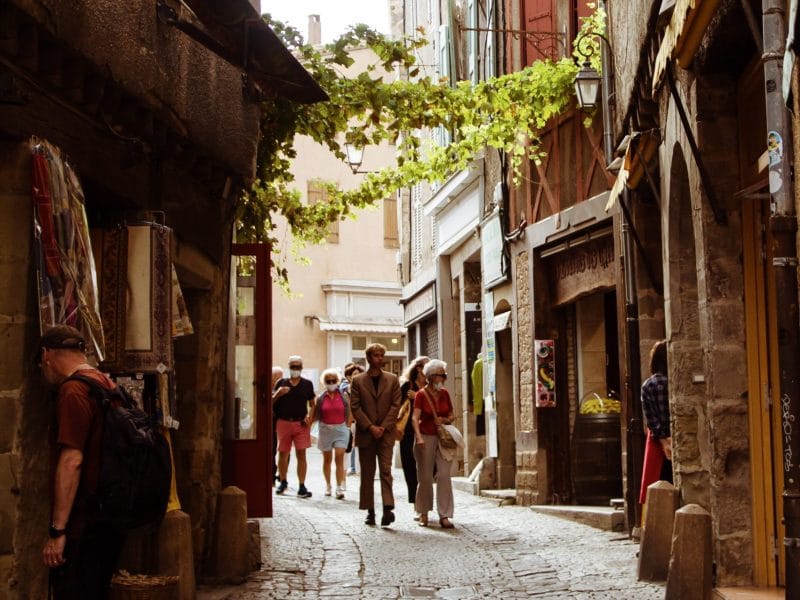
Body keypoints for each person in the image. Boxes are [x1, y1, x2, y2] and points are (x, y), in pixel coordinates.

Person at [36, 325, 125, 598]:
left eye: (41, 362)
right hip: (108, 515)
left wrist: (58, 530)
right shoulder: (107, 384)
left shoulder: (73, 391)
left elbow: (72, 460)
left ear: (47, 354)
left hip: (84, 522)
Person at [349, 343, 401, 527]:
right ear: (369, 358)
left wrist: (383, 426)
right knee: (368, 473)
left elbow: (396, 405)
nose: (379, 358)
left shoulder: (392, 379)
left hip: (386, 433)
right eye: (376, 355)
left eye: (381, 355)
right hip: (366, 433)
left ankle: (388, 508)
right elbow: (355, 406)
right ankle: (369, 510)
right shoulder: (358, 381)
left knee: (386, 471)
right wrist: (370, 426)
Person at [412, 359, 456, 529]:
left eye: (444, 376)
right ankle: (423, 512)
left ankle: (444, 514)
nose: (443, 379)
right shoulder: (421, 395)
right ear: (430, 377)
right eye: (441, 376)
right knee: (425, 476)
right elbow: (415, 418)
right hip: (426, 436)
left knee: (444, 474)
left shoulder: (445, 393)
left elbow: (452, 414)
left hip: (443, 437)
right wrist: (418, 437)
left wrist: (447, 419)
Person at [272, 355, 315, 498]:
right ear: (288, 367)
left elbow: (312, 403)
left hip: (300, 423)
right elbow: (271, 402)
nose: (295, 369)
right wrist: (279, 393)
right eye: (293, 366)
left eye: (298, 366)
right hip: (283, 422)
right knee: (283, 453)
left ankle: (302, 486)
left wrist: (310, 418)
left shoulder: (307, 384)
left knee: (301, 454)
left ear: (301, 368)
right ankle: (283, 481)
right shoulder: (281, 382)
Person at [639, 339, 672, 506]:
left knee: (657, 486)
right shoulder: (673, 382)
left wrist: (664, 441)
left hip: (659, 443)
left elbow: (651, 419)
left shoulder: (647, 385)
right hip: (676, 438)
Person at [310, 369, 351, 499]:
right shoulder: (321, 398)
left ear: (338, 381)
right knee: (327, 459)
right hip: (325, 430)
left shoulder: (344, 396)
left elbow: (350, 412)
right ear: (324, 382)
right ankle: (328, 485)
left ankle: (339, 487)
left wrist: (347, 427)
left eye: (334, 381)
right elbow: (314, 414)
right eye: (328, 381)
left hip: (341, 429)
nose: (331, 383)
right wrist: (308, 425)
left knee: (339, 456)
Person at [399, 356, 429, 515]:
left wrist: (416, 396)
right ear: (418, 368)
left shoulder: (431, 387)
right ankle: (416, 504)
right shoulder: (406, 386)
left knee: (427, 469)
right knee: (410, 468)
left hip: (427, 430)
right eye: (426, 366)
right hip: (408, 432)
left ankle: (425, 502)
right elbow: (396, 407)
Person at [342, 363, 365, 475]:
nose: (357, 376)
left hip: (361, 423)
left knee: (360, 448)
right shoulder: (344, 391)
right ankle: (343, 475)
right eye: (355, 374)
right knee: (347, 448)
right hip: (348, 423)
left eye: (359, 374)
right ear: (348, 377)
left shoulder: (365, 390)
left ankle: (360, 472)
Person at [271, 366, 284, 484]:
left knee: (284, 449)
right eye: (276, 378)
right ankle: (272, 473)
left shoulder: (285, 389)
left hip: (284, 422)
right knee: (272, 449)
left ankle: (282, 474)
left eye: (281, 377)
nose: (279, 380)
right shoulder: (270, 390)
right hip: (271, 423)